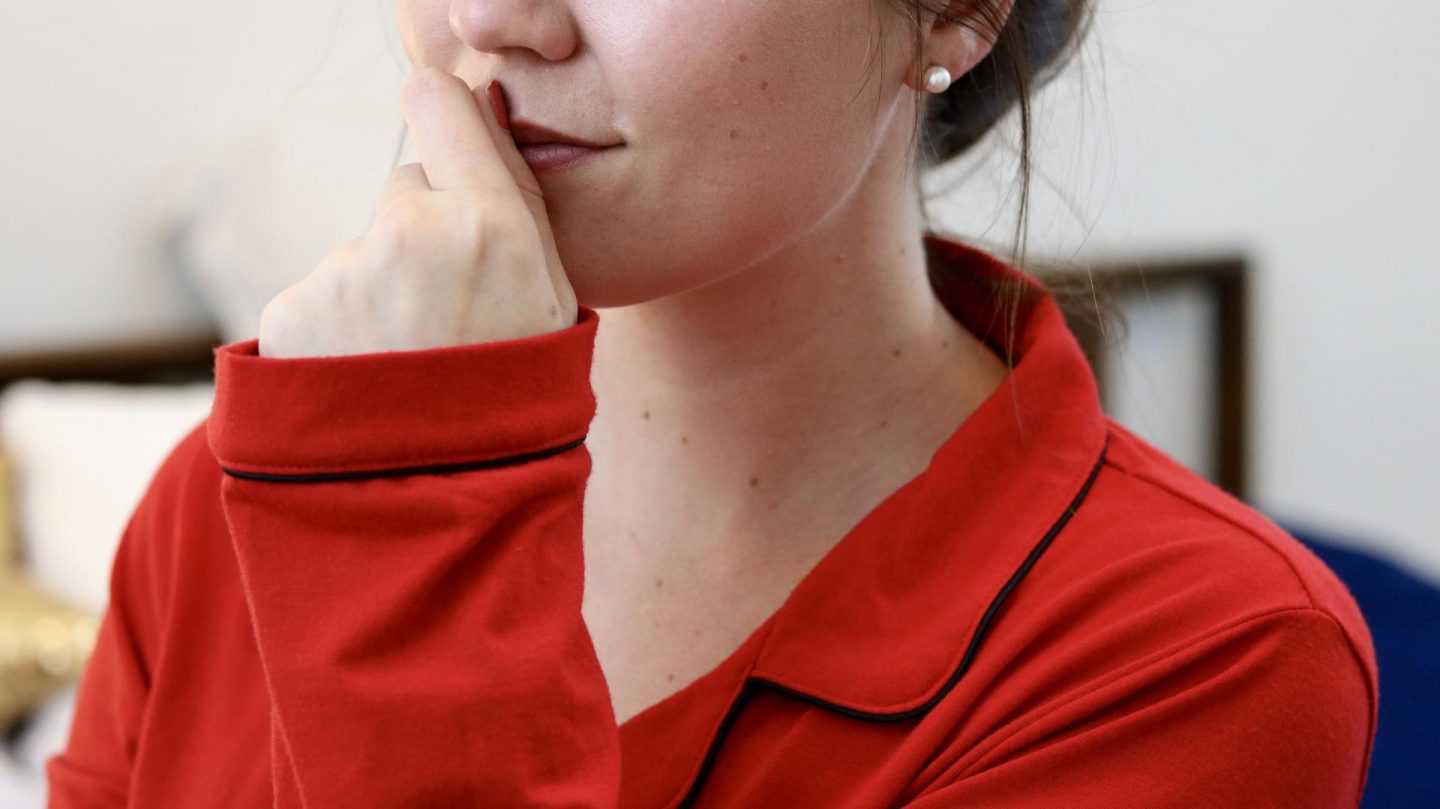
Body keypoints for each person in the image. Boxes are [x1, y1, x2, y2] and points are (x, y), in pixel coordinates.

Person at [47, 0, 1377, 806]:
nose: (496, 20)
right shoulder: (233, 497)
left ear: (952, 11)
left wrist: (411, 497)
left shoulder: (1200, 661)